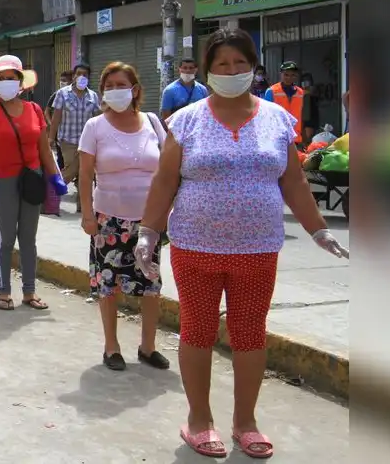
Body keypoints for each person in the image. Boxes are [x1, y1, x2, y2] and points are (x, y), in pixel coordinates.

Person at [135, 28, 349, 459]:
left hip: (258, 249)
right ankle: (198, 420)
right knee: (197, 332)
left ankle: (245, 422)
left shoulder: (276, 118)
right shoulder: (188, 119)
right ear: (208, 70)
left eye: (239, 63)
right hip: (196, 247)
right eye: (221, 65)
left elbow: (293, 180)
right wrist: (148, 232)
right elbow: (164, 181)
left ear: (253, 66)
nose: (231, 71)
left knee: (250, 335)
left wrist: (317, 228)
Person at [78, 61, 169, 372]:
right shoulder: (95, 127)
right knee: (109, 284)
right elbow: (85, 173)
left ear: (135, 90)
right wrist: (88, 216)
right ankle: (111, 346)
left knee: (151, 284)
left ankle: (148, 346)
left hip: (149, 222)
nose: (116, 91)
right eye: (110, 85)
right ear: (103, 91)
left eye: (122, 84)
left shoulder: (153, 122)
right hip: (109, 221)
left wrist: (168, 212)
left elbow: (169, 170)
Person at [0, 55, 64, 310]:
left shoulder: (34, 111)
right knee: (6, 238)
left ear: (21, 82)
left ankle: (29, 292)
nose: (5, 83)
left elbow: (44, 148)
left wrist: (55, 176)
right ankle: (4, 292)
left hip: (31, 179)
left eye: (10, 78)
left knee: (28, 238)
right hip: (1, 180)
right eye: (0, 78)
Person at [47, 64, 101, 206]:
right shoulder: (62, 94)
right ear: (74, 76)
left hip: (88, 141)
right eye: (79, 74)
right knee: (72, 171)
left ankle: (82, 205)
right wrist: (51, 138)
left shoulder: (93, 96)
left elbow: (97, 118)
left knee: (85, 172)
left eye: (85, 74)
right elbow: (56, 117)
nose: (81, 77)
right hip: (68, 141)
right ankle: (51, 192)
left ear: (89, 78)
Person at [263, 60, 305, 146]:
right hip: (277, 138)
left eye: (292, 75)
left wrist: (304, 138)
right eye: (286, 75)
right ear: (280, 74)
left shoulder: (300, 93)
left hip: (295, 138)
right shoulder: (272, 91)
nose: (289, 78)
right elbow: (265, 116)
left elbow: (302, 116)